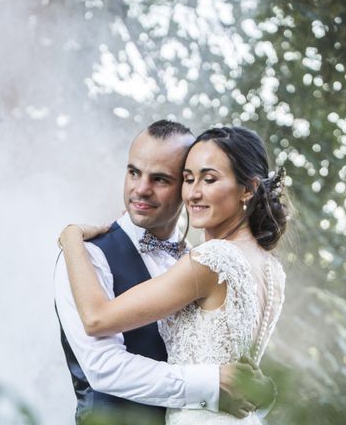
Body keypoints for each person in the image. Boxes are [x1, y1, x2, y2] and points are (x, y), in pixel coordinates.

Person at [60, 125, 288, 424]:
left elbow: (97, 318)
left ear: (248, 188)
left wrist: (70, 237)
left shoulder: (209, 259)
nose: (194, 193)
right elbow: (102, 367)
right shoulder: (272, 269)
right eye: (189, 179)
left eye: (208, 179)